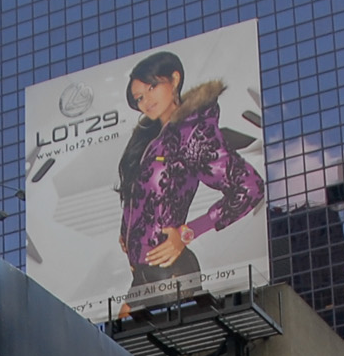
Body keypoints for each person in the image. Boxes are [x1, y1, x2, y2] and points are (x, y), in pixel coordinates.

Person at [112, 50, 264, 302]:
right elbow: (144, 193)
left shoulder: (193, 132)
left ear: (174, 79)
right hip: (143, 275)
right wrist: (126, 230)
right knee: (114, 338)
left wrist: (188, 232)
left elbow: (250, 187)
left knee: (173, 338)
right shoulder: (150, 137)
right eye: (139, 98)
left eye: (151, 87)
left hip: (171, 273)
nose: (146, 101)